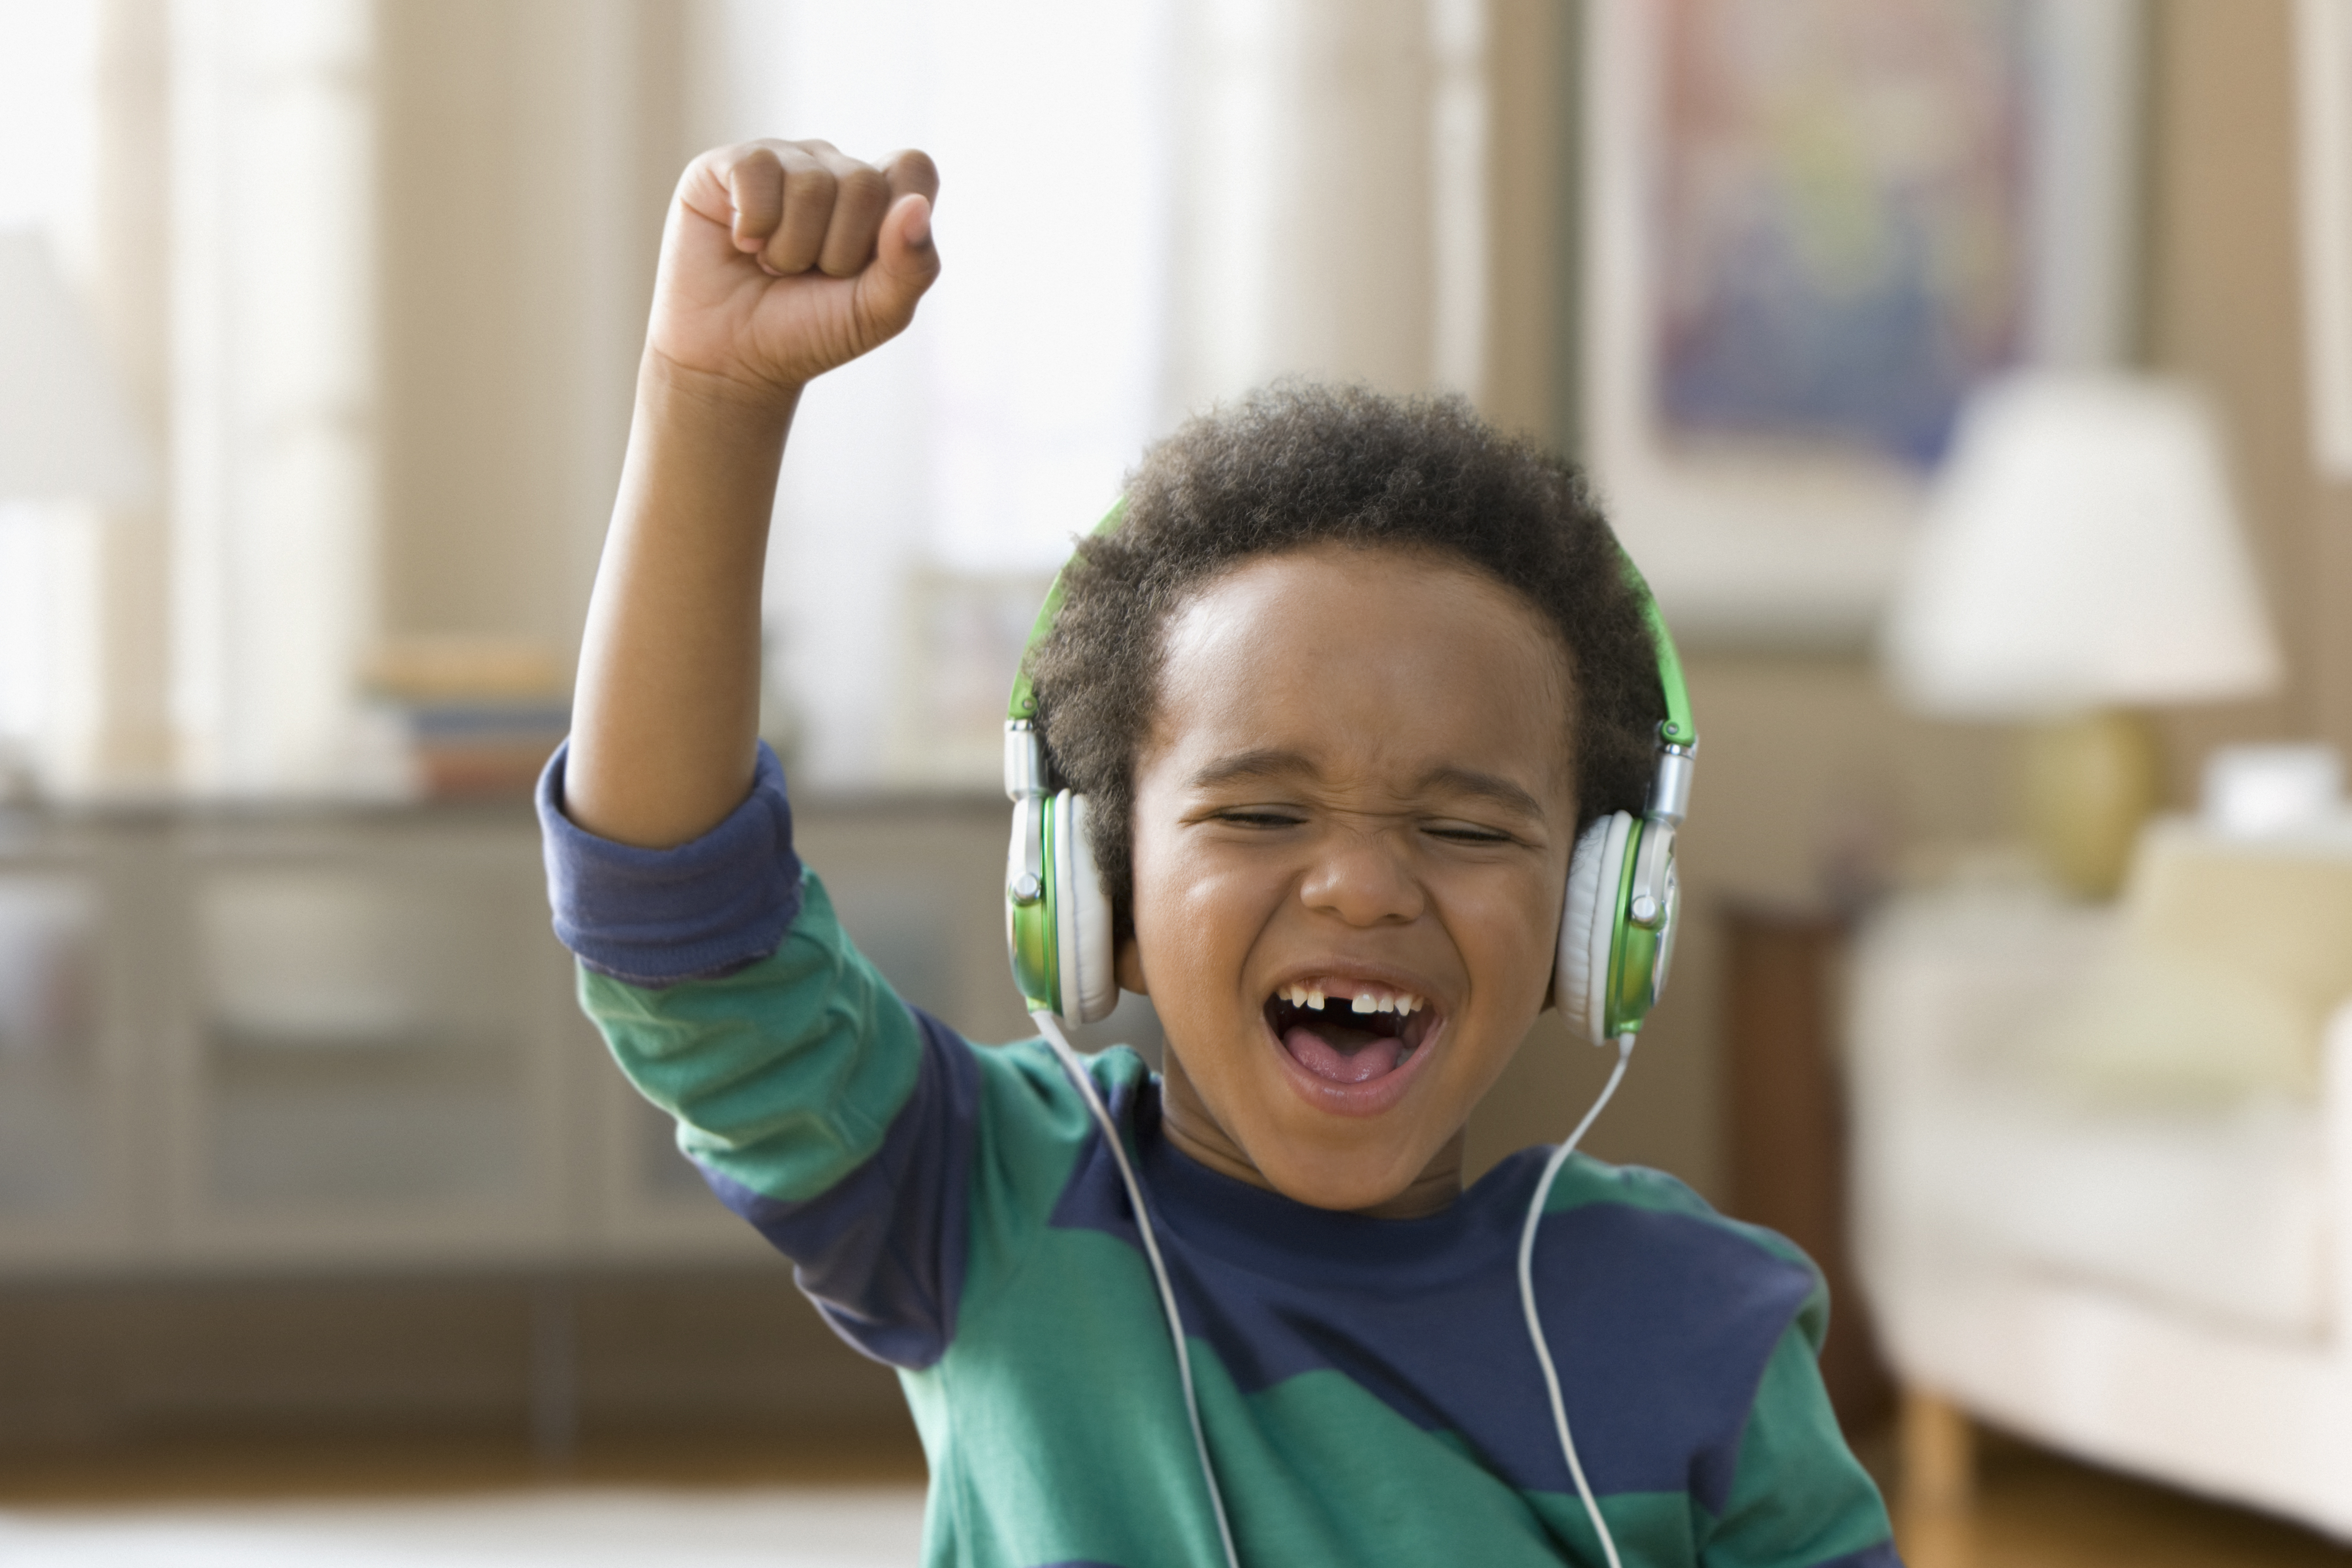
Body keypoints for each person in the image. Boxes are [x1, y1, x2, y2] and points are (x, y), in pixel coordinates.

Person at [540, 137, 1901, 1568]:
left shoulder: (1707, 1333)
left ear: (1594, 915)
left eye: (1461, 827)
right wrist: (712, 401)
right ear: (1101, 889)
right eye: (1258, 813)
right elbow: (677, 931)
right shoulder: (984, 1203)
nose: (1362, 887)